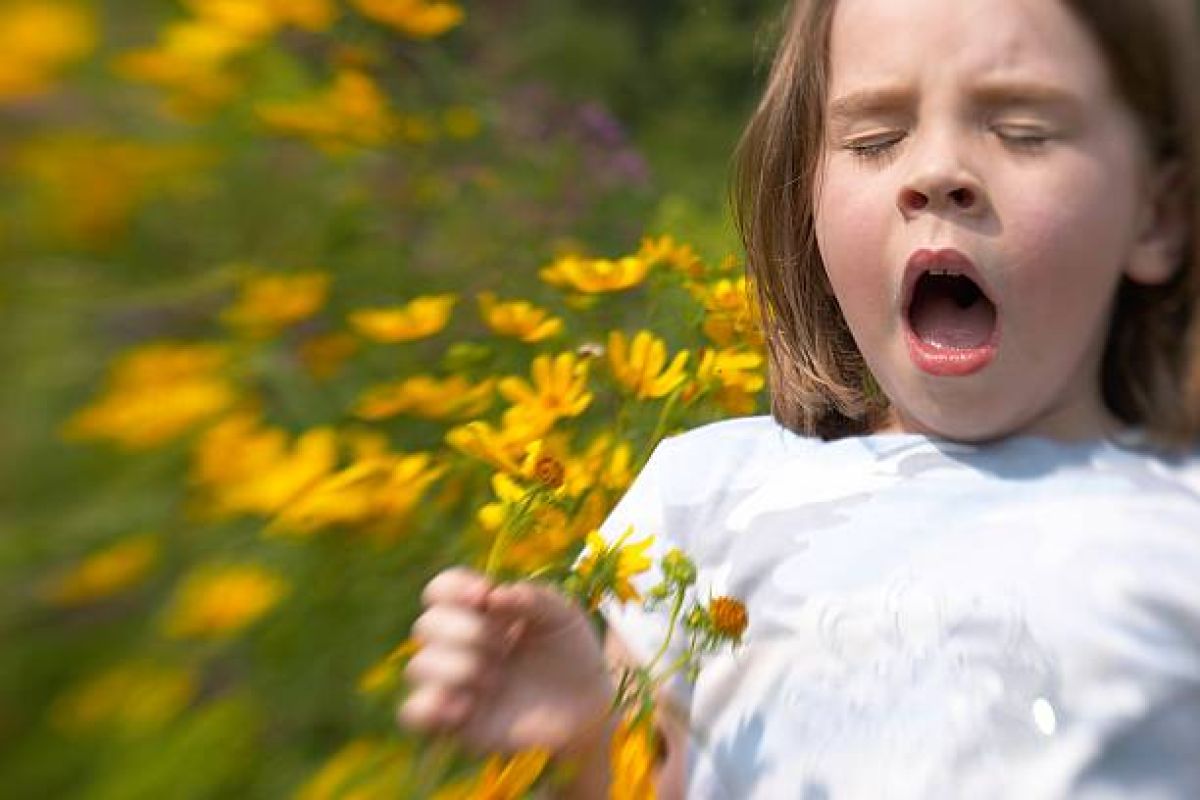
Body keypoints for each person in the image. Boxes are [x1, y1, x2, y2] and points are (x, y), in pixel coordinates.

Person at [398, 0, 1200, 795]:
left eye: (1022, 130)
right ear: (806, 195)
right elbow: (651, 783)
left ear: (1157, 214)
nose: (935, 175)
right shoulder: (709, 495)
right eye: (875, 139)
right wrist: (582, 744)